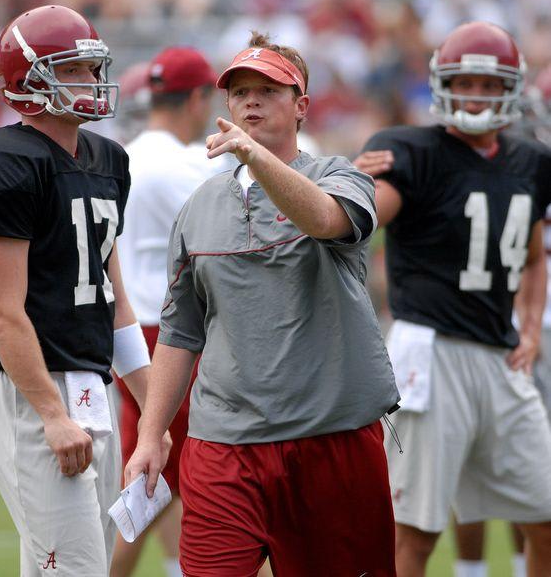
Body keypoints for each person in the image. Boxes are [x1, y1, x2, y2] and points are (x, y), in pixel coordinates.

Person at [125, 32, 400, 577]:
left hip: (329, 437)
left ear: (300, 106)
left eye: (268, 89)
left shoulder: (341, 177)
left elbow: (324, 220)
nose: (250, 100)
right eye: (239, 91)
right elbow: (181, 332)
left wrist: (255, 155)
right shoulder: (199, 206)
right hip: (223, 445)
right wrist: (152, 433)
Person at [0, 5, 168, 575]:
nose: (92, 83)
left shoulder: (108, 159)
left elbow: (114, 300)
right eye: (73, 70)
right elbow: (2, 312)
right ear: (29, 81)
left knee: (68, 565)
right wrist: (50, 411)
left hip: (95, 385)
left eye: (92, 68)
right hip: (33, 388)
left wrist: (150, 412)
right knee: (73, 568)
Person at [354, 21, 551, 577]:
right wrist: (348, 190)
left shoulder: (531, 162)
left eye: (491, 85)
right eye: (466, 81)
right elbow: (358, 224)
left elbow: (535, 257)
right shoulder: (410, 150)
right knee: (414, 531)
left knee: (544, 513)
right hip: (431, 352)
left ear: (511, 89)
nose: (478, 95)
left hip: (501, 353)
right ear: (443, 82)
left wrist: (531, 328)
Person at [110, 46, 218, 577]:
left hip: (131, 335)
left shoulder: (121, 157)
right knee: (193, 474)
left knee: (161, 477)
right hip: (175, 335)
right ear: (198, 98)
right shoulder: (186, 166)